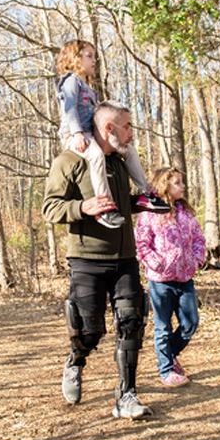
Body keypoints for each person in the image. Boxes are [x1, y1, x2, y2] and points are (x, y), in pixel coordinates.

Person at [42, 101, 154, 420]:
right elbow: (50, 208)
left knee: (132, 324)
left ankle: (127, 396)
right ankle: (75, 361)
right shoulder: (70, 160)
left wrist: (144, 202)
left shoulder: (119, 163)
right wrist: (82, 207)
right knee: (90, 331)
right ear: (109, 128)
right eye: (127, 127)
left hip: (125, 259)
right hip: (87, 260)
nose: (131, 133)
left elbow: (120, 205)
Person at [56, 39, 169, 229]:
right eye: (89, 56)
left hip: (90, 134)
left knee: (129, 151)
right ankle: (105, 206)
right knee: (96, 156)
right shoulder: (70, 81)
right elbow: (69, 109)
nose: (94, 61)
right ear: (75, 58)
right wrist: (76, 134)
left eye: (94, 56)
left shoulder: (89, 89)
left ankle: (146, 193)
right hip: (75, 134)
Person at [134, 168, 206, 387]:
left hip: (185, 278)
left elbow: (198, 239)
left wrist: (196, 260)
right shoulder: (150, 213)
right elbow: (141, 244)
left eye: (182, 182)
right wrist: (158, 263)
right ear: (164, 186)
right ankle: (166, 370)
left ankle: (169, 354)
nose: (182, 186)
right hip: (160, 281)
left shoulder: (186, 212)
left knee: (190, 323)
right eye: (177, 183)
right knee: (162, 327)